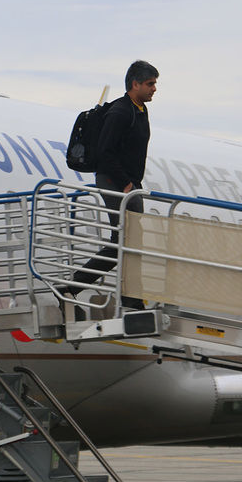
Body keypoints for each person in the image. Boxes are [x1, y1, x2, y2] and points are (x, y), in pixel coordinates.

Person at [66, 60, 158, 311]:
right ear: (134, 84)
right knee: (122, 240)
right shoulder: (120, 112)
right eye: (150, 84)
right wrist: (125, 182)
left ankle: (131, 298)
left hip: (130, 184)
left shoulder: (140, 110)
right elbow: (105, 152)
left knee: (132, 242)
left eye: (155, 84)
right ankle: (72, 287)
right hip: (115, 182)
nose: (154, 89)